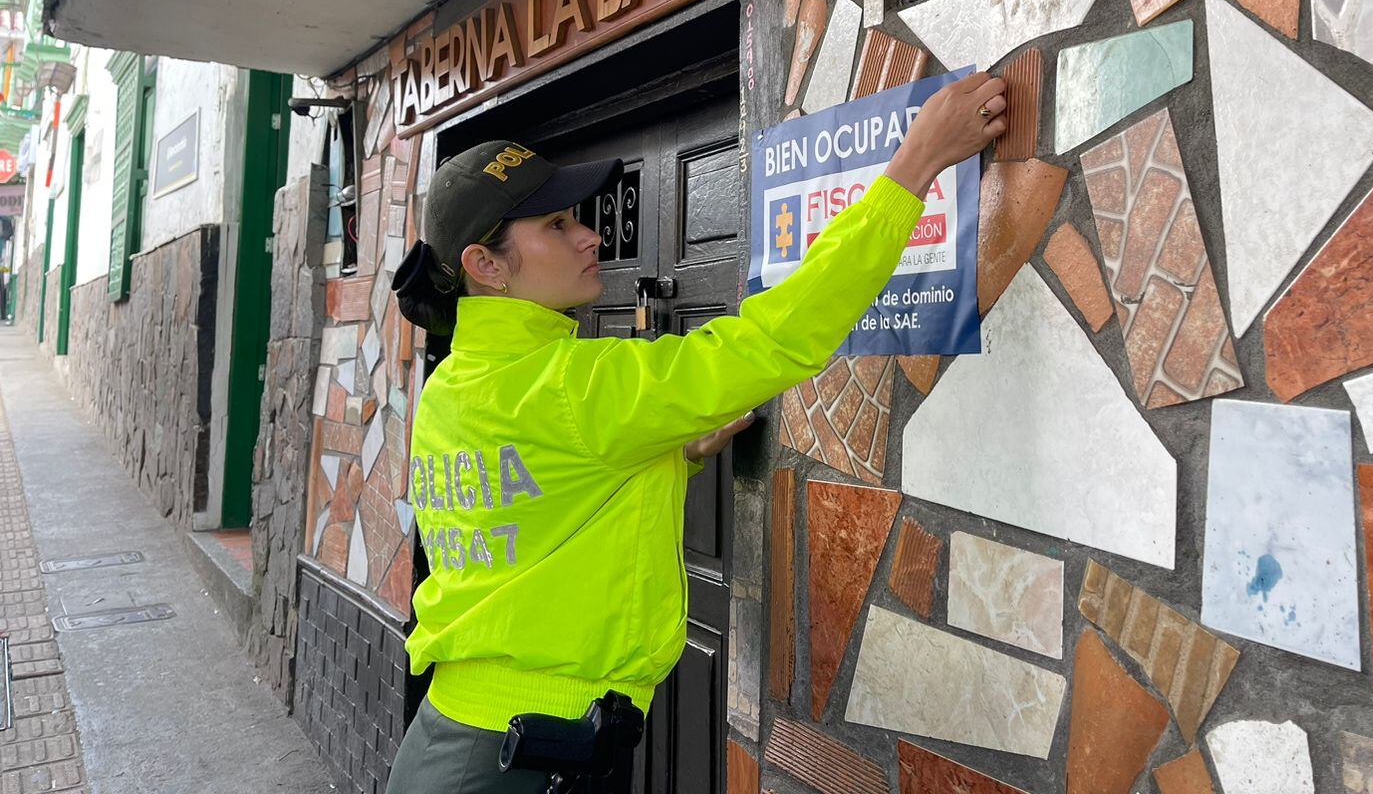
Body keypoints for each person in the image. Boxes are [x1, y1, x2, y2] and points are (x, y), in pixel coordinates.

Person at [385, 72, 1007, 793]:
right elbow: (776, 339)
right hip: (525, 763)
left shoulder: (450, 387)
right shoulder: (575, 386)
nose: (589, 235)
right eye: (555, 226)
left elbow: (537, 500)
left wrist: (668, 455)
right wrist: (915, 164)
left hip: (450, 740)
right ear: (485, 265)